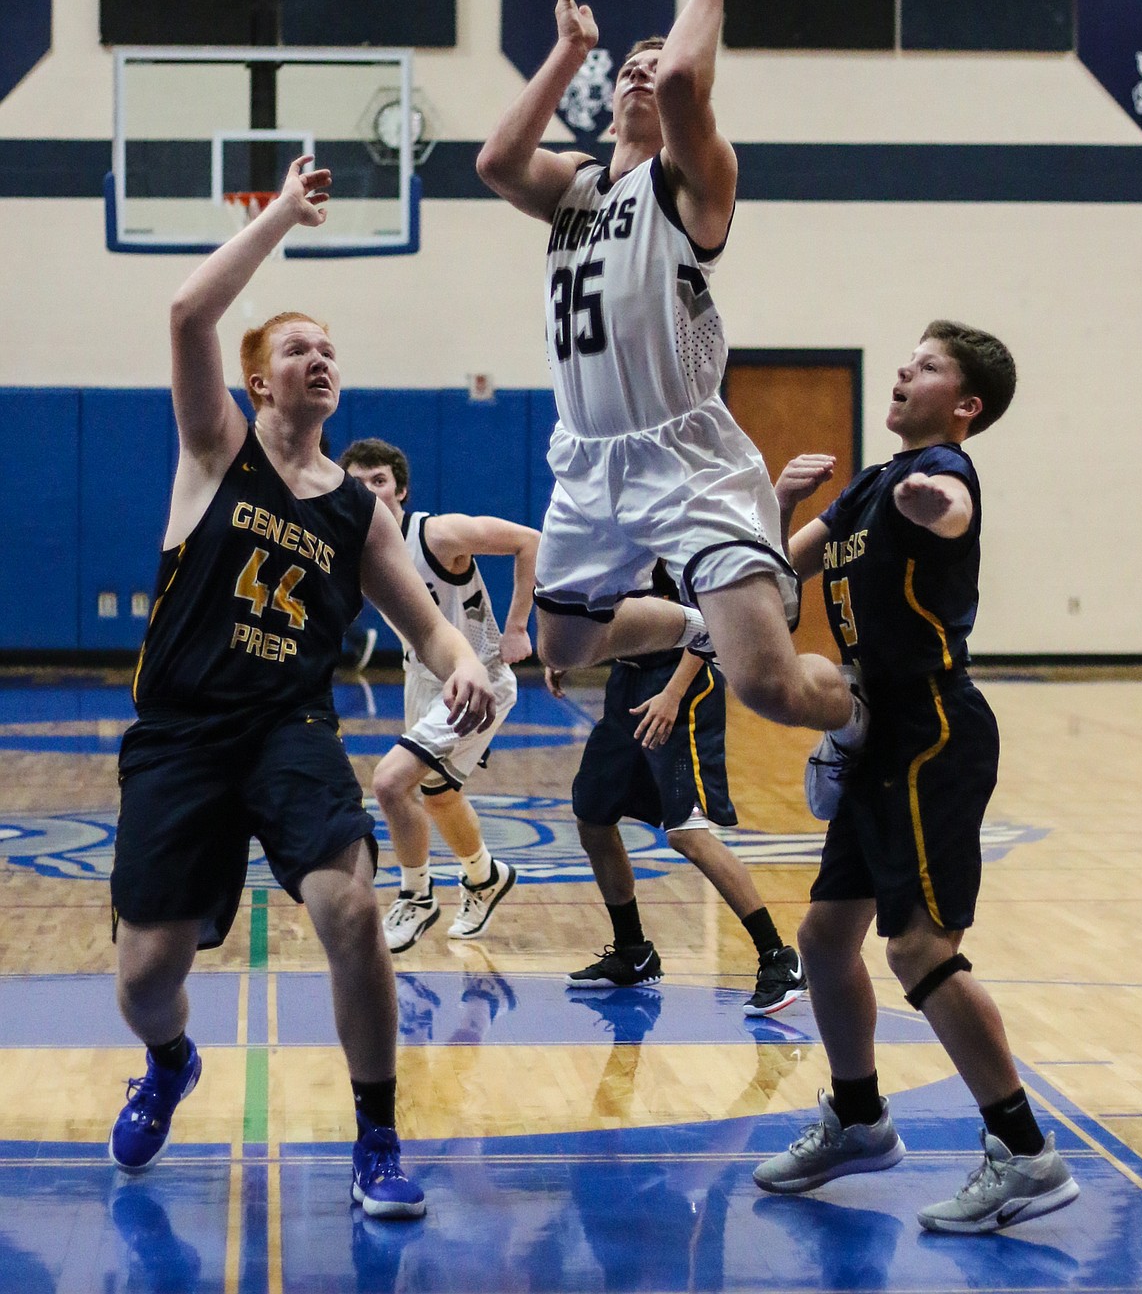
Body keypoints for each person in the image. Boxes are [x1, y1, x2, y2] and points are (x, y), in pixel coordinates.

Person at [107, 156, 495, 1222]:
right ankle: (171, 1061)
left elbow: (429, 624)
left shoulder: (357, 515)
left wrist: (464, 669)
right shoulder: (214, 446)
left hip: (288, 729)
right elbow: (188, 306)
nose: (319, 358)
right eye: (297, 347)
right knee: (145, 975)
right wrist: (281, 212)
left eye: (329, 348)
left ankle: (376, 1136)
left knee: (351, 907)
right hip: (182, 736)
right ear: (257, 377)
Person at [475, 0, 855, 748]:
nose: (643, 72)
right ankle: (697, 619)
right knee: (562, 646)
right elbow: (497, 161)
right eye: (627, 68)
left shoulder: (692, 182)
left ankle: (860, 713)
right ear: (606, 97)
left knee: (771, 688)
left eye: (653, 64)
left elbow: (684, 77)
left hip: (685, 459)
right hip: (586, 457)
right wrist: (570, 49)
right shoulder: (575, 184)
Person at [752, 322, 1080, 1234]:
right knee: (822, 939)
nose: (904, 370)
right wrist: (777, 504)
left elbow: (953, 509)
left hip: (934, 731)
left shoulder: (943, 476)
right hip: (874, 734)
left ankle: (1025, 1153)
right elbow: (783, 567)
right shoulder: (866, 487)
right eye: (910, 358)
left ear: (965, 404)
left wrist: (938, 499)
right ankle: (859, 1119)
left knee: (917, 948)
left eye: (928, 366)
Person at [547, 566, 807, 1015]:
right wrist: (573, 652)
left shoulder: (676, 533)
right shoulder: (617, 533)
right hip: (627, 681)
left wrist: (671, 694)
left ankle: (779, 958)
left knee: (686, 831)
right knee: (592, 819)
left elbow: (706, 619)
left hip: (679, 684)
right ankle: (634, 951)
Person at [339, 437, 538, 949]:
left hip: (476, 680)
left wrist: (517, 626)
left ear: (400, 490)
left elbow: (529, 540)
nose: (369, 492)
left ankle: (415, 895)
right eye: (356, 484)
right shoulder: (353, 547)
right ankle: (484, 876)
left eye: (378, 481)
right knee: (439, 793)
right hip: (419, 677)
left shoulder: (436, 533)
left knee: (389, 784)